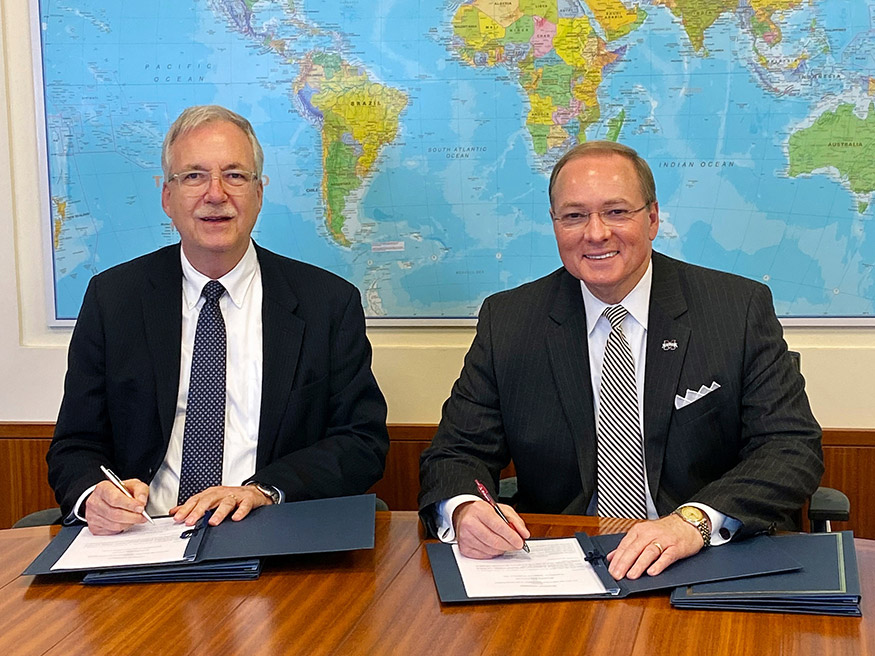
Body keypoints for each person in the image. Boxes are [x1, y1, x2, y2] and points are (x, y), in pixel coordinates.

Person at [419, 140, 823, 580]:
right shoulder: (510, 320)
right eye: (574, 216)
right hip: (563, 563)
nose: (595, 233)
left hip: (703, 559)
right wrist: (464, 509)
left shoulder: (736, 309)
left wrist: (696, 521)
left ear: (652, 219)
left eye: (616, 211)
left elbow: (789, 448)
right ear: (554, 224)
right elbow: (456, 452)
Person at [47, 105, 389, 535]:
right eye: (193, 175)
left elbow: (361, 443)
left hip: (271, 528)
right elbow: (75, 446)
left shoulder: (327, 303)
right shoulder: (113, 299)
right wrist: (94, 495)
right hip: (145, 536)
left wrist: (265, 490)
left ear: (259, 194)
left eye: (235, 175)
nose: (215, 193)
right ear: (167, 198)